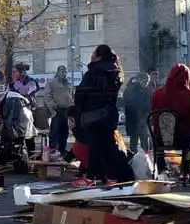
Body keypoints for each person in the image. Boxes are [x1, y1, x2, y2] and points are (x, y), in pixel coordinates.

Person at [73, 44, 134, 185]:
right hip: (110, 115)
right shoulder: (117, 72)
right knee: (109, 147)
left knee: (94, 147)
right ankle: (111, 178)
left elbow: (80, 95)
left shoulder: (93, 72)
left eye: (93, 53)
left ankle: (90, 178)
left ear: (99, 56)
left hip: (93, 115)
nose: (91, 56)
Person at [151, 64, 190, 183]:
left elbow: (153, 117)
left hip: (161, 139)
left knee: (156, 135)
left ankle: (162, 169)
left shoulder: (157, 94)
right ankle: (185, 171)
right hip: (182, 140)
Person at [43, 65, 73, 158]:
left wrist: (72, 107)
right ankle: (53, 149)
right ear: (58, 72)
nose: (64, 73)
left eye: (65, 72)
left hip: (66, 110)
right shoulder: (52, 82)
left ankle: (62, 149)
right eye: (62, 71)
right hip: (57, 109)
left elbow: (72, 95)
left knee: (64, 131)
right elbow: (47, 95)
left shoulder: (68, 84)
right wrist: (53, 105)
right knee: (55, 130)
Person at [10, 63, 40, 157]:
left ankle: (32, 157)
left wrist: (16, 82)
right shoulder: (11, 83)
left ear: (21, 72)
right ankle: (17, 157)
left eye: (15, 72)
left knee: (29, 135)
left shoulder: (31, 81)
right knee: (16, 136)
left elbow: (25, 91)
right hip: (15, 112)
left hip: (28, 112)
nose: (13, 74)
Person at [123, 73, 152, 154]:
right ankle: (140, 160)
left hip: (138, 119)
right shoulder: (133, 89)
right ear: (140, 80)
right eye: (145, 82)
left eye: (147, 82)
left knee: (139, 141)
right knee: (138, 141)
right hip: (137, 119)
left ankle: (138, 159)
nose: (146, 84)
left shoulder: (131, 88)